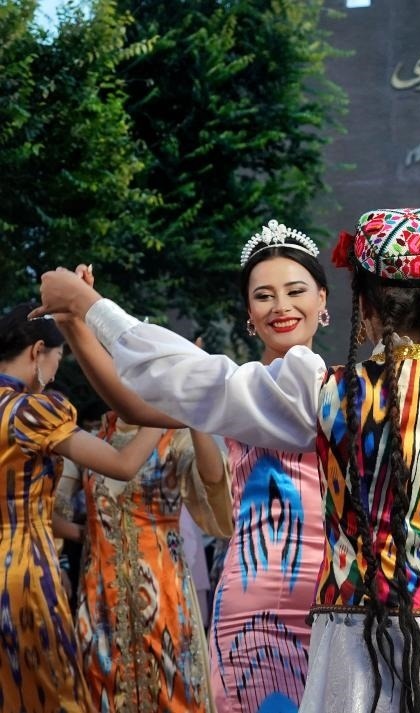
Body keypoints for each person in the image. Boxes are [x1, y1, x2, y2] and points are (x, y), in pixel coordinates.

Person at [33, 206, 420, 713]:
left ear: (362, 307)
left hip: (362, 637)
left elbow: (197, 379)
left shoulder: (327, 394)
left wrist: (94, 307)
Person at [57, 221, 333, 712]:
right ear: (249, 313)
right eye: (264, 296)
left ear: (322, 300)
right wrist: (75, 324)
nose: (281, 306)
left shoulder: (349, 389)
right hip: (249, 606)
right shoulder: (235, 390)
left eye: (295, 291)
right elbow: (134, 404)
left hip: (334, 600)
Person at [0, 304, 163, 713]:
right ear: (38, 350)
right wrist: (162, 416)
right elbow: (122, 465)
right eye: (58, 357)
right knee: (56, 695)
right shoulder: (32, 411)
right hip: (25, 566)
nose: (56, 371)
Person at [76, 409, 231, 712]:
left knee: (173, 694)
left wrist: (194, 413)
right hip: (100, 597)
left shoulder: (174, 435)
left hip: (162, 598)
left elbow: (213, 482)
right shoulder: (98, 437)